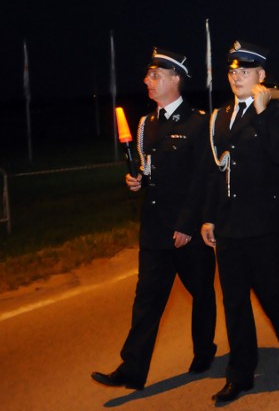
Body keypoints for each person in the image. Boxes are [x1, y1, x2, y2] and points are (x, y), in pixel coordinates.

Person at [92, 48, 217, 390]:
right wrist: (138, 180)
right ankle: (132, 369)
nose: (148, 81)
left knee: (202, 293)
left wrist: (189, 224)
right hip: (155, 228)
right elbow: (150, 168)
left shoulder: (199, 122)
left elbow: (204, 178)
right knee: (146, 299)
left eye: (155, 76)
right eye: (148, 76)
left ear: (175, 80)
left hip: (187, 231)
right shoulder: (147, 123)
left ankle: (205, 350)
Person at [200, 41, 279, 403]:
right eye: (232, 72)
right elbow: (216, 171)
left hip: (265, 223)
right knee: (234, 302)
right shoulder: (220, 116)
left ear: (261, 76)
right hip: (230, 224)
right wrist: (209, 217)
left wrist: (261, 114)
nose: (236, 77)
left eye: (244, 71)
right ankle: (240, 372)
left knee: (271, 293)